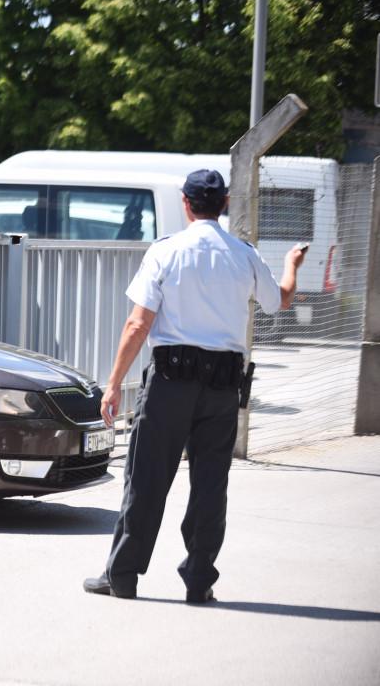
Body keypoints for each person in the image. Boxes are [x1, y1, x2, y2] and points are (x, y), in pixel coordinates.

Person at [83, 169, 306, 604]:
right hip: (222, 388)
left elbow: (138, 323)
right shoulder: (243, 254)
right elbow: (279, 301)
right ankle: (199, 580)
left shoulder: (166, 251)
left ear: (186, 203)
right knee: (210, 484)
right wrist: (290, 266)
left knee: (146, 478)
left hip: (170, 384)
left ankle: (123, 575)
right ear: (224, 204)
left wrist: (112, 386)